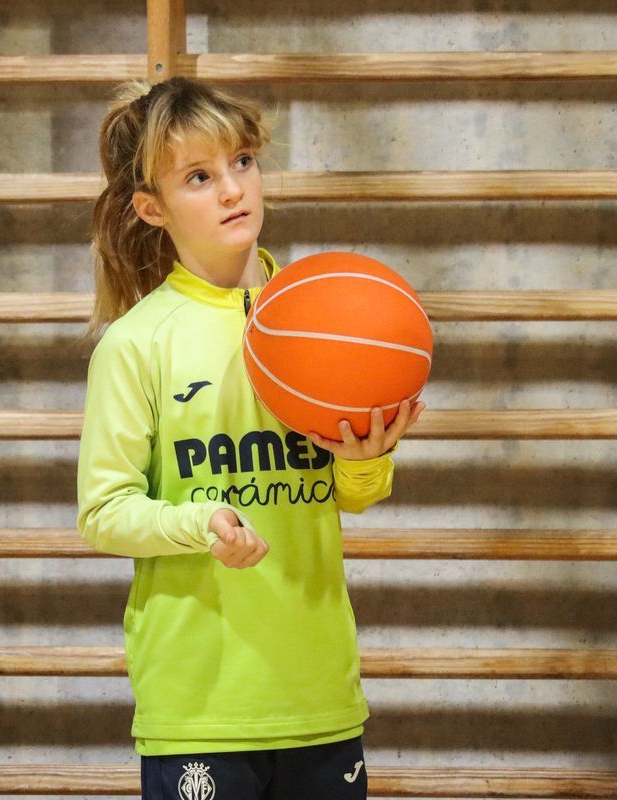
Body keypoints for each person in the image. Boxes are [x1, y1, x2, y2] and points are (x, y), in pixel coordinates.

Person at [77, 77, 425, 800]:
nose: (233, 189)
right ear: (152, 207)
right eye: (199, 177)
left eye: (242, 162)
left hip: (319, 696)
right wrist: (199, 523)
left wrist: (367, 459)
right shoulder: (137, 343)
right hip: (201, 706)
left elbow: (350, 495)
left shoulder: (325, 314)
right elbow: (103, 513)